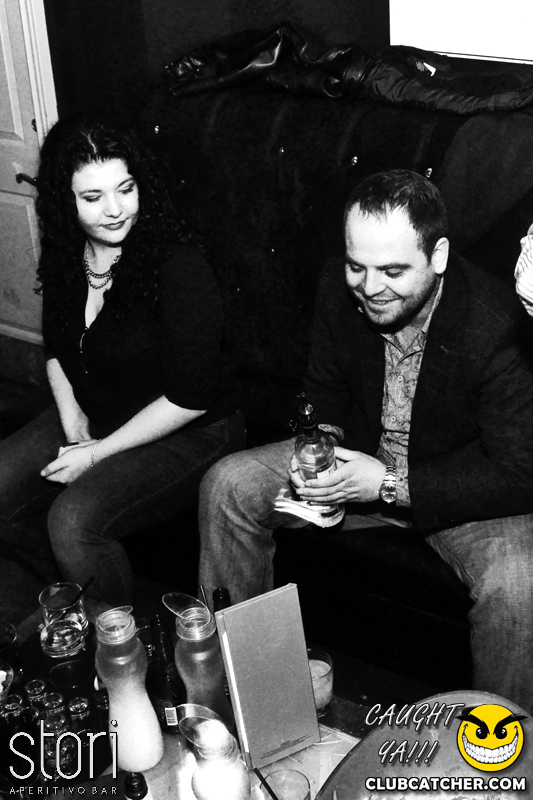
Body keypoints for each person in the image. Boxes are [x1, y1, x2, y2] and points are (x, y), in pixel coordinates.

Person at [199, 169, 533, 713]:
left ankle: (500, 758)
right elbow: (323, 391)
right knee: (228, 485)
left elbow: (519, 473)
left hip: (458, 488)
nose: (370, 287)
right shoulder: (339, 285)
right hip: (360, 461)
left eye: (393, 271)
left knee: (521, 583)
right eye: (358, 266)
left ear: (438, 256)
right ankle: (247, 703)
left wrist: (390, 484)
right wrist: (320, 447)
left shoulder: (495, 323)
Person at [0, 117, 244, 607]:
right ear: (65, 201)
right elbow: (57, 349)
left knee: (73, 521)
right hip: (99, 408)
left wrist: (95, 455)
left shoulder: (179, 266)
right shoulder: (68, 254)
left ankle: (118, 639)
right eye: (93, 197)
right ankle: (65, 605)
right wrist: (74, 425)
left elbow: (190, 398)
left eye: (125, 189)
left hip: (191, 428)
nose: (114, 210)